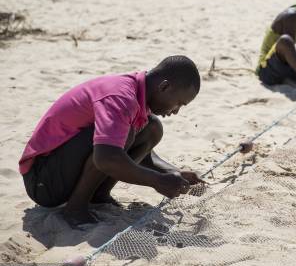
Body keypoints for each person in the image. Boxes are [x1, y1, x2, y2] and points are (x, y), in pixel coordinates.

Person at [19, 55, 252, 227]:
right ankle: (75, 208)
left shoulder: (137, 98)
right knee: (121, 139)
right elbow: (108, 156)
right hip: (43, 182)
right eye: (179, 103)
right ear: (164, 87)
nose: (176, 111)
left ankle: (97, 196)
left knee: (152, 128)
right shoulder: (122, 97)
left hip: (63, 172)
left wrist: (173, 173)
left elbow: (140, 154)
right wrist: (157, 181)